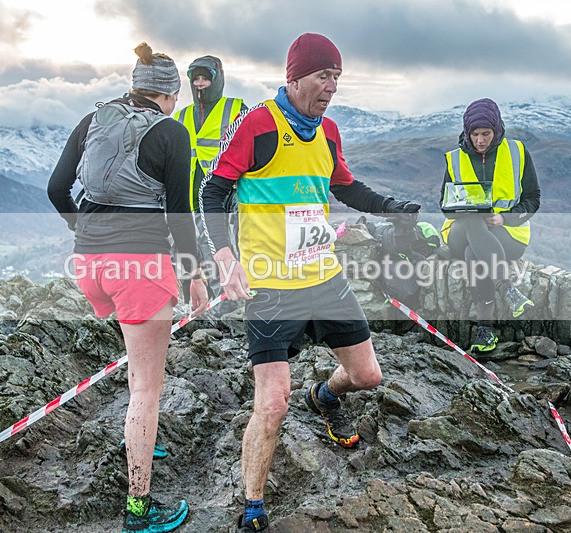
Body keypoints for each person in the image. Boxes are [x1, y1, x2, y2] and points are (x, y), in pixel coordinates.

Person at [199, 33, 420, 532]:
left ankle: (324, 396)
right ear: (294, 76)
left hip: (324, 276)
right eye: (324, 76)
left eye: (337, 78)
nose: (332, 87)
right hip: (272, 287)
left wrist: (390, 207)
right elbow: (214, 192)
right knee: (272, 402)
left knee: (368, 377)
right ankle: (252, 508)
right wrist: (223, 255)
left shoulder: (329, 132)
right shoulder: (258, 125)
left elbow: (343, 185)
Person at [47, 43, 208, 533]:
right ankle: (139, 508)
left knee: (137, 367)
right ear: (169, 93)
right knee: (146, 388)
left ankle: (139, 434)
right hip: (140, 268)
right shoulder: (171, 133)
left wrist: (90, 236)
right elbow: (181, 216)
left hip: (90, 265)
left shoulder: (94, 119)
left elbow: (57, 189)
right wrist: (195, 275)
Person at [439, 97, 541, 353]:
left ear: (497, 130)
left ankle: (485, 330)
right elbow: (444, 203)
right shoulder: (454, 158)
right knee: (473, 219)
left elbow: (532, 199)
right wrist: (464, 208)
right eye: (475, 134)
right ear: (467, 132)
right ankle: (507, 289)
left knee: (474, 253)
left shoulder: (517, 151)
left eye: (486, 133)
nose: (481, 140)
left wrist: (504, 218)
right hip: (460, 232)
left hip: (507, 234)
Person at [174, 56, 246, 305]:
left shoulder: (236, 108)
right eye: (196, 79)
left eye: (205, 78)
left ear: (217, 81)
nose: (200, 84)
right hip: (196, 195)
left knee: (237, 244)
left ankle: (243, 295)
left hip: (231, 191)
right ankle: (224, 301)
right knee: (208, 247)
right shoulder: (181, 116)